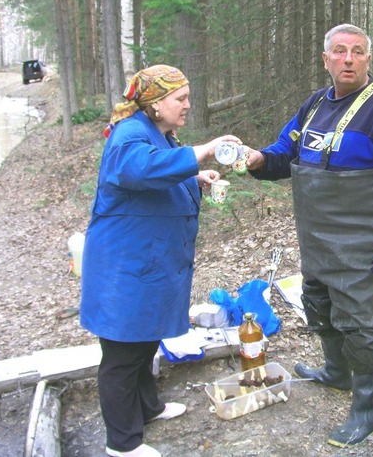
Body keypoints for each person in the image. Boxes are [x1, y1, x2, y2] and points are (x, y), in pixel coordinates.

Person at [246, 24, 373, 448]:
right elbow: (283, 152)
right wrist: (257, 160)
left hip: (361, 241)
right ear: (326, 59)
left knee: (362, 327)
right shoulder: (314, 105)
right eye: (341, 51)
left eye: (358, 52)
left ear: (368, 59)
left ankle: (366, 408)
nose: (349, 59)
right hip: (317, 240)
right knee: (318, 304)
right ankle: (336, 372)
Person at [80, 65, 241, 457]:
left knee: (144, 339)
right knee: (121, 353)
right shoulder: (129, 133)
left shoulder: (160, 134)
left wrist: (195, 177)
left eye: (188, 97)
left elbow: (158, 175)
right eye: (180, 99)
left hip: (147, 264)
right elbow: (137, 169)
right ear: (154, 103)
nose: (188, 105)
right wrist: (201, 150)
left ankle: (148, 408)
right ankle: (121, 443)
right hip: (125, 266)